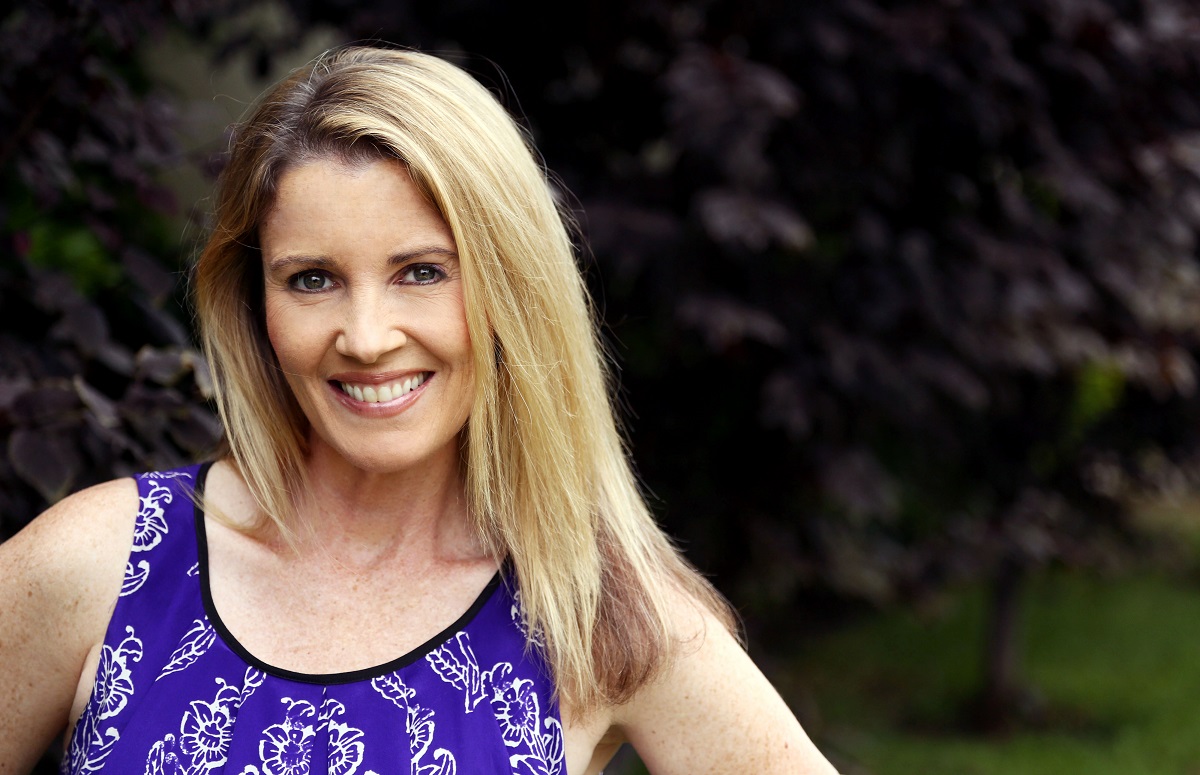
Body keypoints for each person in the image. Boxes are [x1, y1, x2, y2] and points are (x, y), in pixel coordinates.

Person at [0, 46, 839, 774]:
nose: (366, 338)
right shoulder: (101, 564)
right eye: (312, 279)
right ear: (256, 303)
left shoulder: (599, 613)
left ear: (514, 289)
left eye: (423, 272)